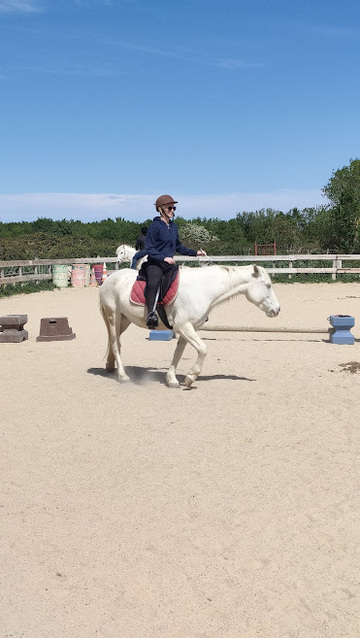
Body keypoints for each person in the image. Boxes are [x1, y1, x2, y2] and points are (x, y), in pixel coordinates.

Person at [144, 194, 207, 328]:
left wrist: (195, 253)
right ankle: (151, 314)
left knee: (186, 281)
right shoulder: (154, 227)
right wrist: (163, 258)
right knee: (154, 282)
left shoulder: (173, 227)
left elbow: (178, 247)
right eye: (169, 208)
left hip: (169, 265)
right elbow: (148, 248)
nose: (172, 210)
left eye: (174, 208)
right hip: (155, 263)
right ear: (161, 209)